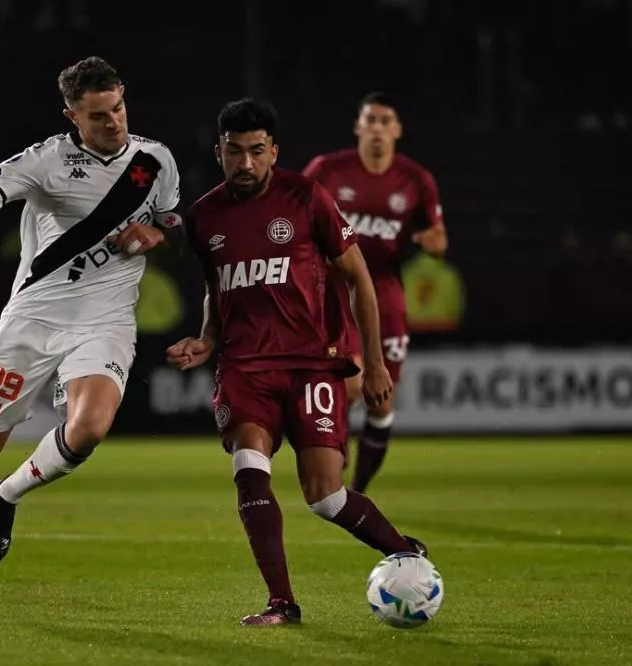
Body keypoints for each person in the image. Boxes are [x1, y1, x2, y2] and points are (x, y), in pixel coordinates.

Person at [0, 56, 182, 613]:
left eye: (117, 107)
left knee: (89, 427)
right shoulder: (47, 160)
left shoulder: (155, 160)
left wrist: (153, 235)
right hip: (32, 322)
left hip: (105, 321)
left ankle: (9, 494)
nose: (113, 121)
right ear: (72, 116)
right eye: (97, 115)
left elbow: (171, 225)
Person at [167, 98, 426, 627]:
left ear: (273, 152)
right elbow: (216, 287)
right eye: (234, 152)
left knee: (326, 497)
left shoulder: (308, 197)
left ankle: (404, 553)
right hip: (245, 367)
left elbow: (360, 279)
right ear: (219, 152)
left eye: (256, 152)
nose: (245, 163)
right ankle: (282, 603)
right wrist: (206, 337)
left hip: (311, 364)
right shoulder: (203, 217)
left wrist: (373, 364)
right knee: (248, 467)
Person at [303, 92, 448, 493]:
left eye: (386, 121)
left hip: (385, 299)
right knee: (348, 388)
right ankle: (332, 474)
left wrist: (433, 242)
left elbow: (439, 240)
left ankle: (359, 490)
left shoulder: (416, 180)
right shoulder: (328, 170)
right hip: (334, 296)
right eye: (372, 120)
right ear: (358, 127)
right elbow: (295, 212)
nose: (378, 129)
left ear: (397, 130)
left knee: (381, 404)